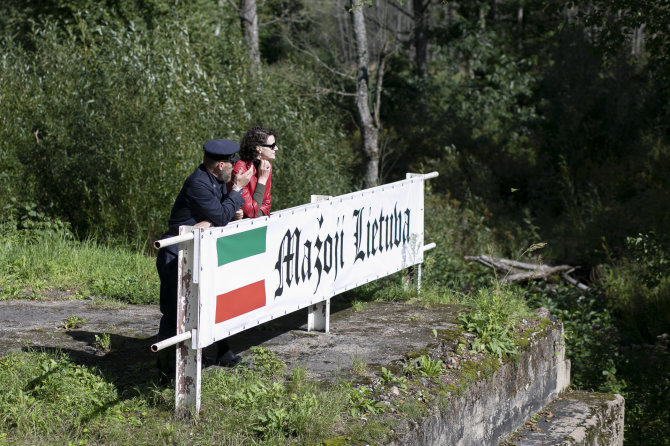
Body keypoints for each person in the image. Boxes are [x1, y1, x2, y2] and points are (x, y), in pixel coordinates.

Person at [156, 139, 254, 377]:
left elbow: (223, 214)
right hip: (176, 255)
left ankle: (223, 353)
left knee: (211, 304)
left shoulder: (216, 181)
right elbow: (220, 215)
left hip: (199, 252)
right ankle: (166, 371)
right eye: (231, 163)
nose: (234, 167)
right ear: (220, 165)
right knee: (174, 313)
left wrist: (226, 213)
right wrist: (237, 191)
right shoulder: (198, 184)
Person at [230, 126, 279, 218]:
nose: (276, 148)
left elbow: (267, 204)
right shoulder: (241, 169)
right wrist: (262, 180)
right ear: (258, 148)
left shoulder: (266, 166)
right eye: (272, 146)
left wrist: (258, 213)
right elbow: (251, 212)